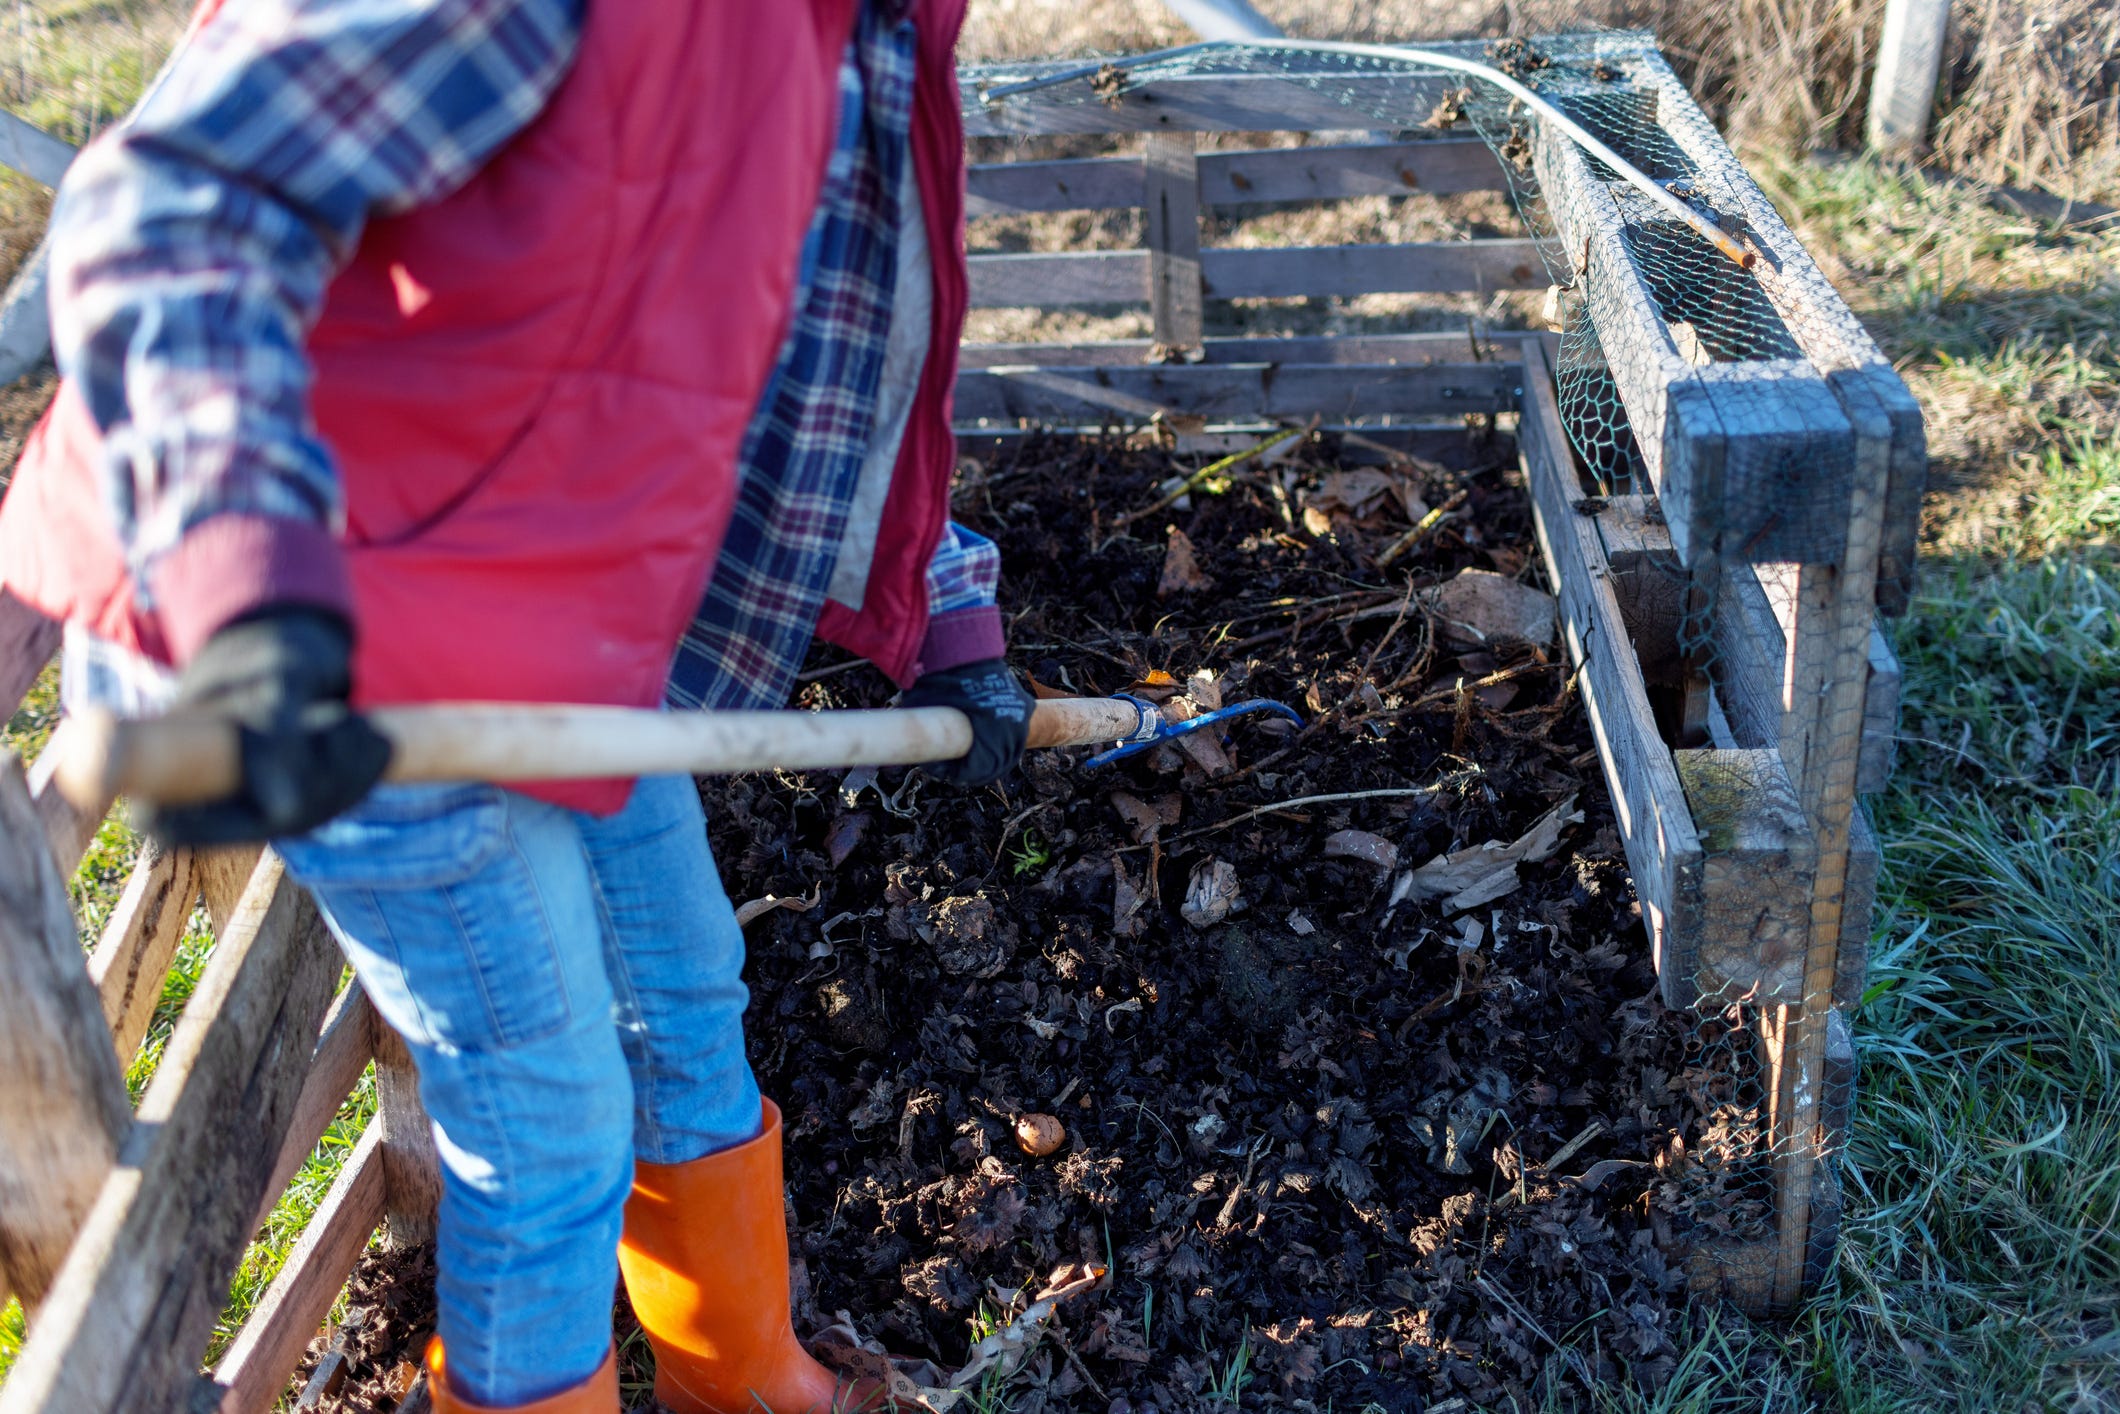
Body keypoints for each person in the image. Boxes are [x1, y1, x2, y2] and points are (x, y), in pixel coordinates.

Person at [0, 1, 1035, 1411]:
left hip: (542, 609)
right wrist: (251, 593)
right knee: (549, 1122)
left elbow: (788, 362)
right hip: (321, 601)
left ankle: (747, 1375)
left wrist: (946, 600)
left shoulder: (837, 26)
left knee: (684, 987)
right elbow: (182, 203)